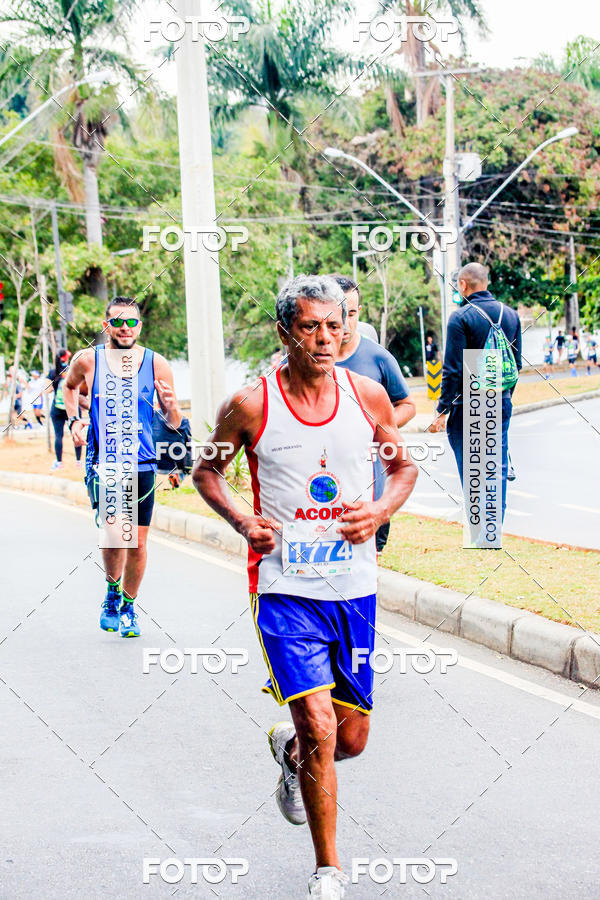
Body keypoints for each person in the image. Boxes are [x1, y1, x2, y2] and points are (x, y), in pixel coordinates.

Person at [192, 275, 417, 899]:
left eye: (335, 325)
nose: (326, 338)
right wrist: (243, 521)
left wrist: (380, 511)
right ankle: (329, 870)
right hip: (285, 589)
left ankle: (290, 753)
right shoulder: (250, 405)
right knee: (320, 723)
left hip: (355, 588)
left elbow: (403, 467)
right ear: (286, 331)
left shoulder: (367, 395)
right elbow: (206, 471)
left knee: (350, 739)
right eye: (312, 327)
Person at [64, 297, 182, 638]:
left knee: (138, 543)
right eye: (118, 322)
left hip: (143, 462)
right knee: (115, 535)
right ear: (107, 326)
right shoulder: (88, 361)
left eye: (131, 322)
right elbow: (69, 388)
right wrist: (74, 420)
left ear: (139, 327)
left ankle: (129, 607)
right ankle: (111, 592)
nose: (125, 328)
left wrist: (172, 409)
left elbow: (174, 423)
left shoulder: (157, 364)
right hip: (105, 462)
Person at [329, 273, 416, 554]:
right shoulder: (306, 359)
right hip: (320, 486)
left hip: (370, 484)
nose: (344, 322)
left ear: (358, 312)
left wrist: (374, 428)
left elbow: (407, 405)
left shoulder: (378, 357)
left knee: (369, 559)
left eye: (351, 313)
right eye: (337, 314)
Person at [430, 262, 522, 522]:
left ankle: (478, 522)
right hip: (500, 399)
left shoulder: (460, 318)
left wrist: (442, 409)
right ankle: (494, 526)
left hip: (468, 402)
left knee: (471, 464)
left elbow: (453, 370)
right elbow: (516, 365)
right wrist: (504, 398)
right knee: (496, 464)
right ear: (487, 283)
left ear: (463, 285)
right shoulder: (511, 315)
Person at [44, 350, 83, 471]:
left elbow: (47, 390)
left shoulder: (53, 372)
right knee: (76, 433)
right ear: (66, 358)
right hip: (72, 408)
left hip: (57, 408)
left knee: (58, 436)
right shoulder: (72, 370)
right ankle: (78, 461)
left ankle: (59, 463)